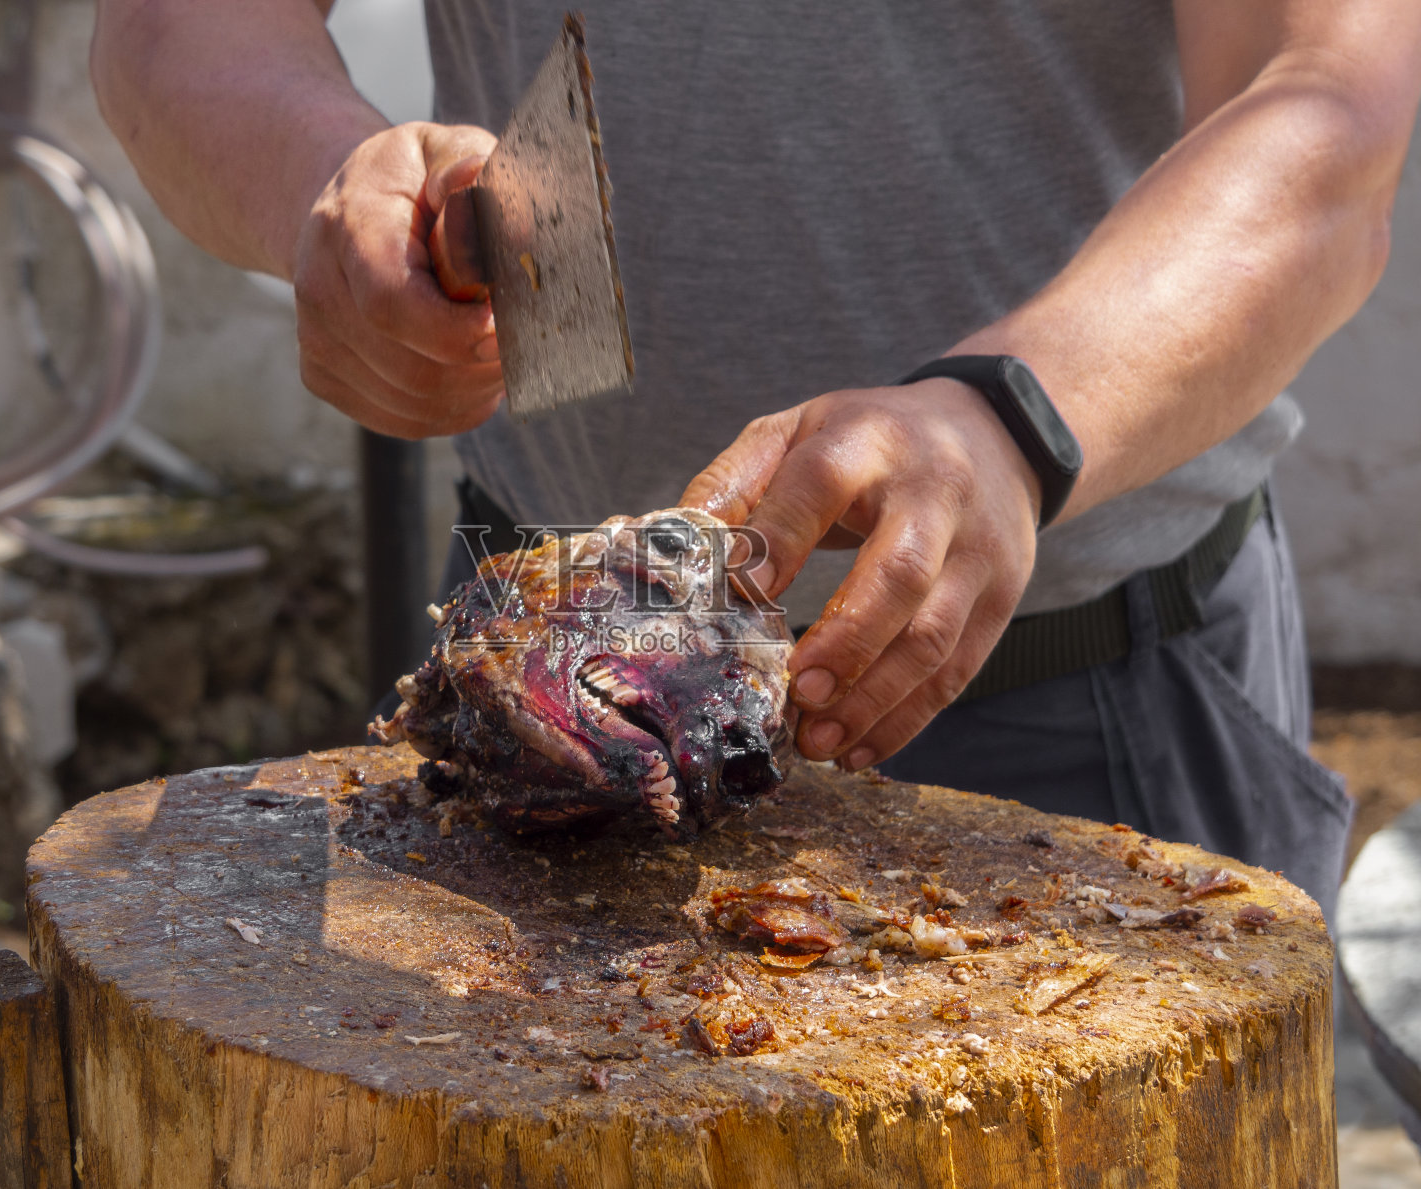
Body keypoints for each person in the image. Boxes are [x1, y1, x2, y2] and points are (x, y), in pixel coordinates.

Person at [90, 1, 1421, 913]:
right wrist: (323, 189)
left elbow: (1329, 107)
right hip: (545, 695)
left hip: (1074, 705)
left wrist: (1013, 415)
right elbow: (179, 28)